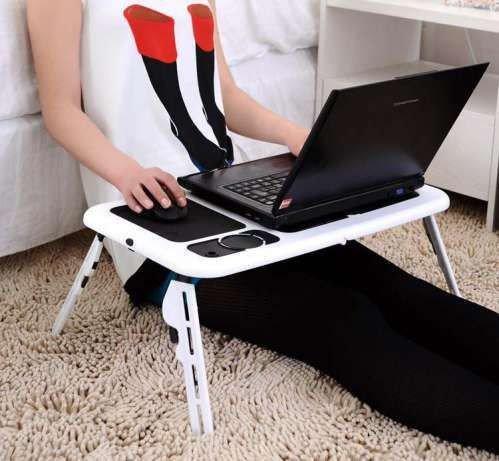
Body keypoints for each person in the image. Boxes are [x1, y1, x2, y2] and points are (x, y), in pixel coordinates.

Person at [28, 0, 499, 453]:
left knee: (390, 286)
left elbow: (225, 97)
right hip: (155, 220)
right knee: (342, 317)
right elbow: (60, 109)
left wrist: (294, 135)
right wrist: (128, 172)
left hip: (226, 193)